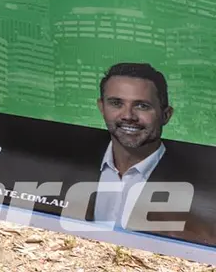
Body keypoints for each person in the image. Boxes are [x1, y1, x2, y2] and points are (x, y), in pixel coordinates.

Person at [67, 63, 216, 246]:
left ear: (166, 115)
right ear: (101, 107)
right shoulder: (69, 162)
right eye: (116, 103)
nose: (128, 115)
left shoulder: (201, 183)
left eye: (142, 106)